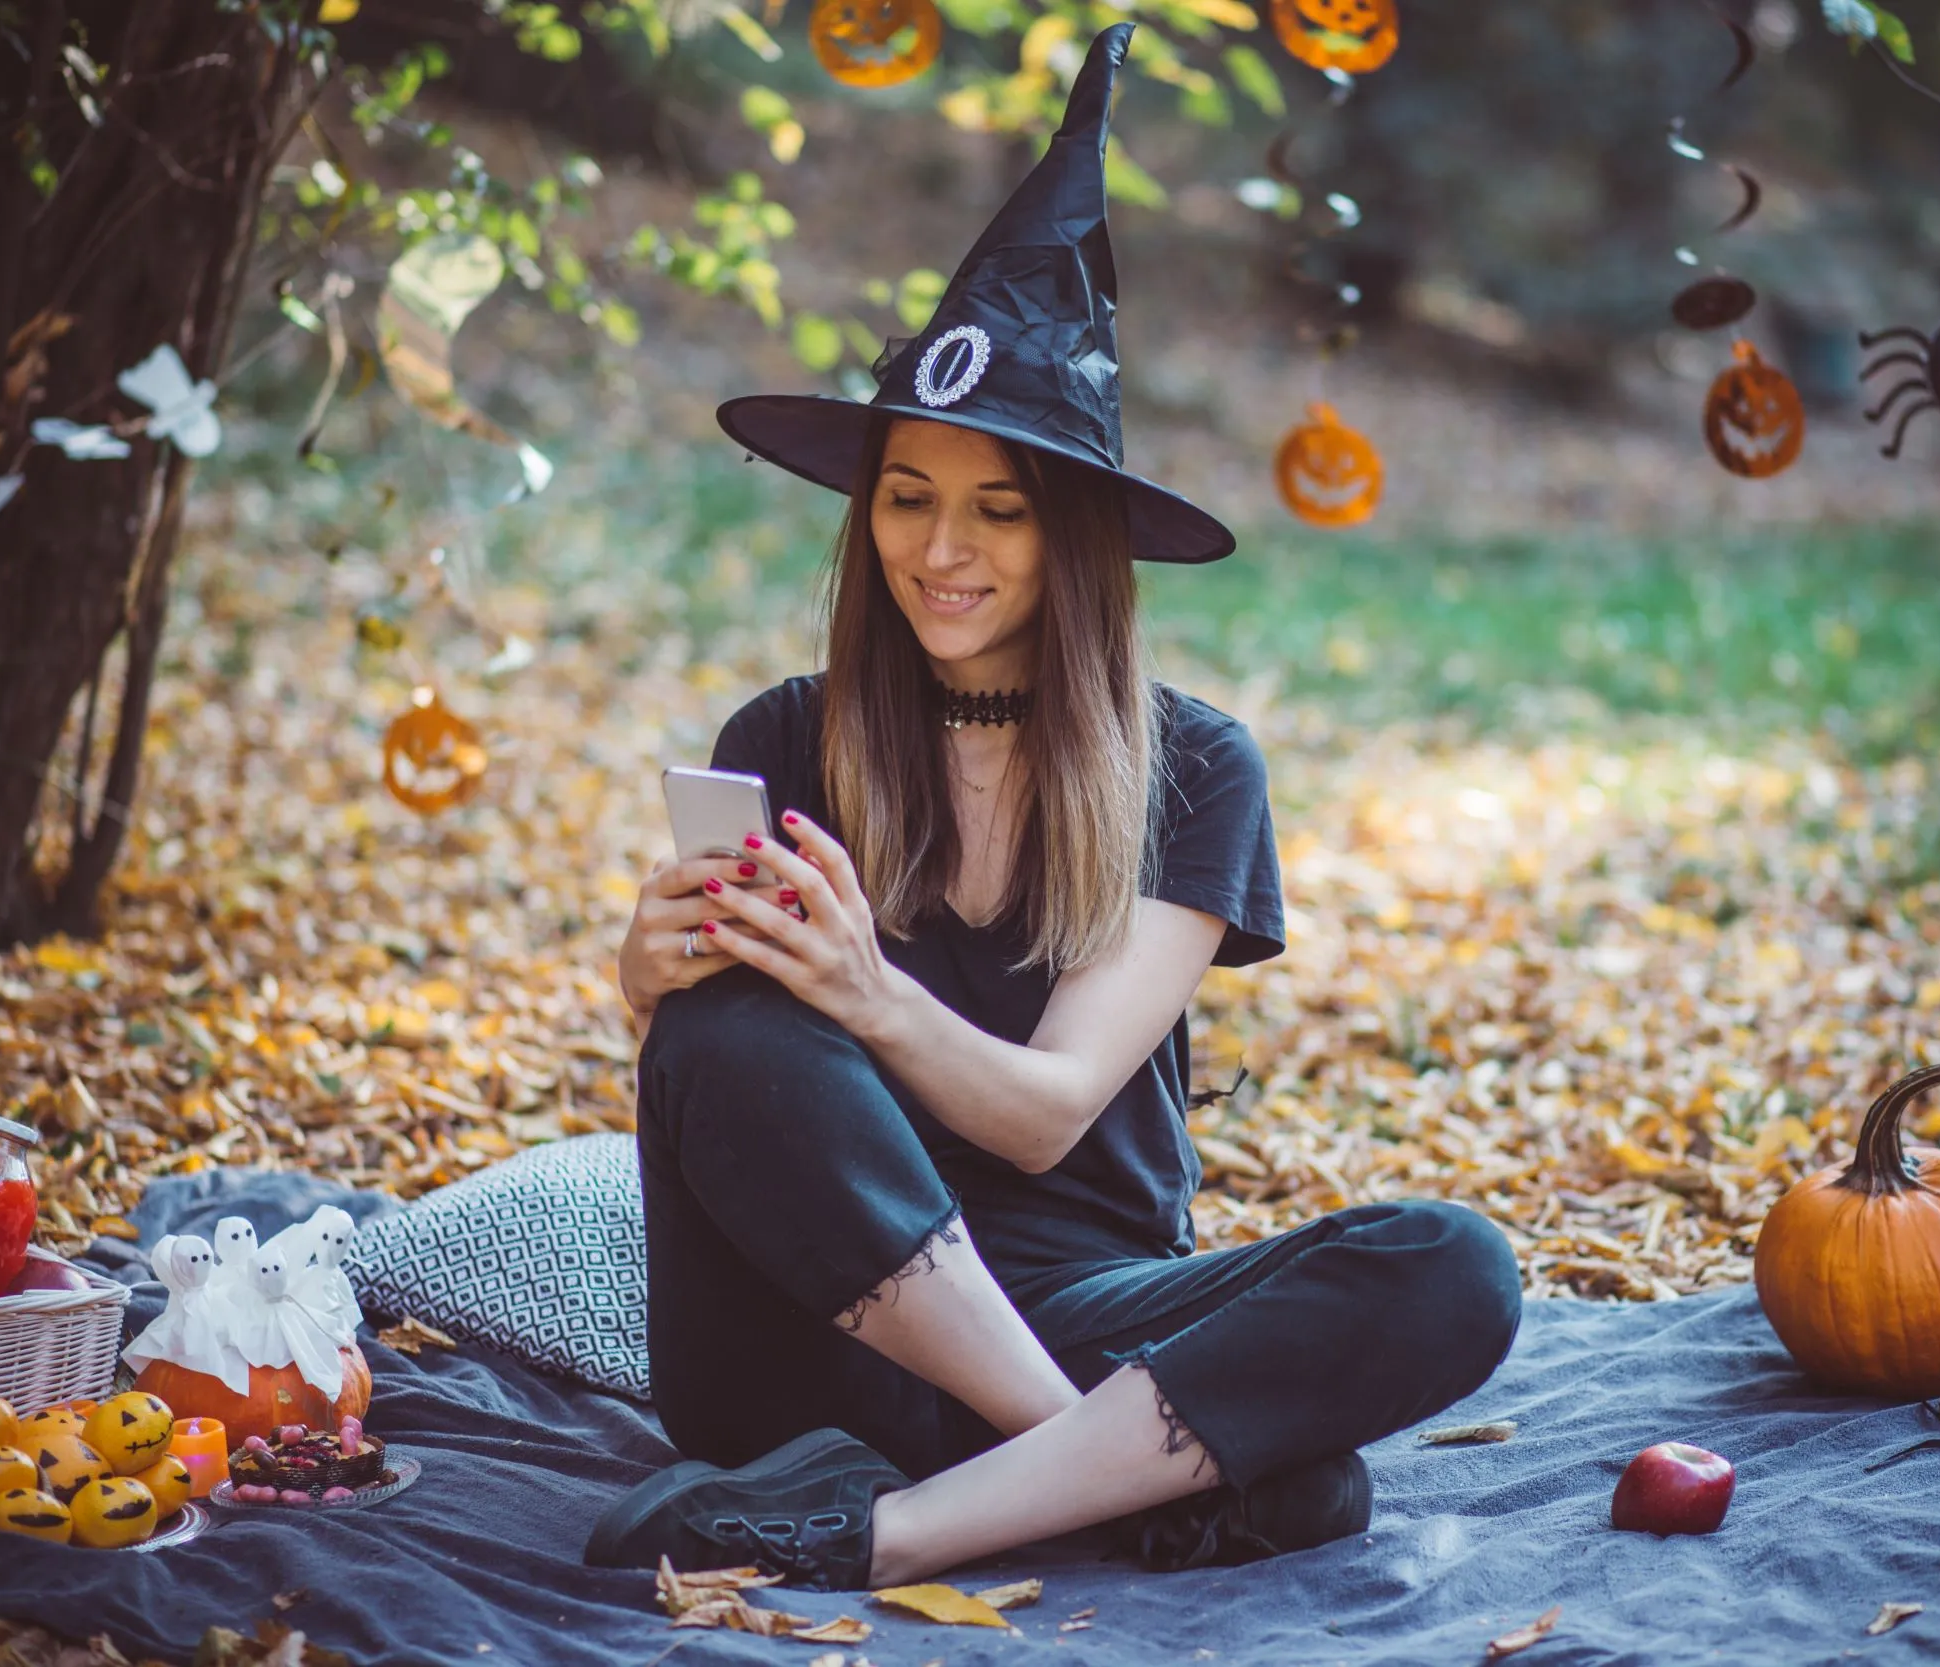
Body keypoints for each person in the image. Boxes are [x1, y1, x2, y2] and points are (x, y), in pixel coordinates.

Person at [588, 25, 1521, 1591]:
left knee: (1456, 1267)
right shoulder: (789, 735)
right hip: (803, 1347)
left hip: (1074, 1306)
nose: (939, 549)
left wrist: (868, 992)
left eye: (997, 509)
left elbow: (1046, 1108)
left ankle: (904, 1529)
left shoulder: (1194, 768)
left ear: (1074, 536)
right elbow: (736, 1095)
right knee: (721, 1031)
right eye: (906, 495)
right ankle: (1109, 1476)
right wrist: (649, 974)